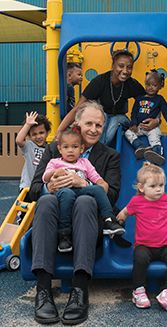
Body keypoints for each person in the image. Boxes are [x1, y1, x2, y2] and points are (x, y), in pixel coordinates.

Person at [29, 100, 121, 325]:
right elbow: (33, 189)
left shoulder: (109, 156)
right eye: (89, 123)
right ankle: (43, 291)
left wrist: (83, 183)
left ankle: (79, 290)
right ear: (77, 124)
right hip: (55, 219)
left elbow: (112, 195)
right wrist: (47, 186)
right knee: (46, 201)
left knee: (86, 202)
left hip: (88, 220)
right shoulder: (55, 147)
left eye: (99, 125)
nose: (94, 129)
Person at [117, 162, 167, 310]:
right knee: (140, 259)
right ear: (141, 188)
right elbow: (124, 212)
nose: (158, 189)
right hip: (144, 245)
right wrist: (120, 220)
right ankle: (138, 290)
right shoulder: (136, 201)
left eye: (161, 185)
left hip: (165, 245)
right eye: (153, 186)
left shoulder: (166, 199)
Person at [42, 127, 125, 253]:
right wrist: (54, 172)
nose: (70, 150)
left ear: (81, 149)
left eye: (74, 147)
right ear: (60, 149)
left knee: (97, 190)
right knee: (67, 193)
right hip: (63, 192)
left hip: (80, 192)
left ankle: (109, 220)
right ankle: (64, 234)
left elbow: (97, 179)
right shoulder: (55, 162)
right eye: (66, 147)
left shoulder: (84, 163)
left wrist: (97, 184)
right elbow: (44, 177)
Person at [57, 49, 159, 146]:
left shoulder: (131, 84)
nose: (125, 71)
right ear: (113, 66)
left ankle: (100, 148)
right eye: (121, 66)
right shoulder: (100, 81)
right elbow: (77, 108)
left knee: (114, 122)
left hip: (120, 118)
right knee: (102, 117)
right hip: (102, 117)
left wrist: (157, 120)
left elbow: (152, 102)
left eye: (129, 67)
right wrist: (60, 131)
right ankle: (97, 148)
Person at [125, 69, 167, 166]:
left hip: (152, 127)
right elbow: (134, 112)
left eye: (154, 85)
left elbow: (166, 112)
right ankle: (140, 146)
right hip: (140, 126)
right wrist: (134, 124)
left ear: (160, 86)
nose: (150, 88)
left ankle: (157, 152)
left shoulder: (159, 99)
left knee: (154, 137)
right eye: (148, 84)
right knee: (128, 133)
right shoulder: (139, 98)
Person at [16, 111, 51, 192]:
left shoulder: (50, 149)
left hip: (42, 188)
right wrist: (27, 125)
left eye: (41, 133)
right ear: (29, 136)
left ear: (47, 132)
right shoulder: (29, 146)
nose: (38, 136)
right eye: (34, 134)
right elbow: (18, 140)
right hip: (28, 186)